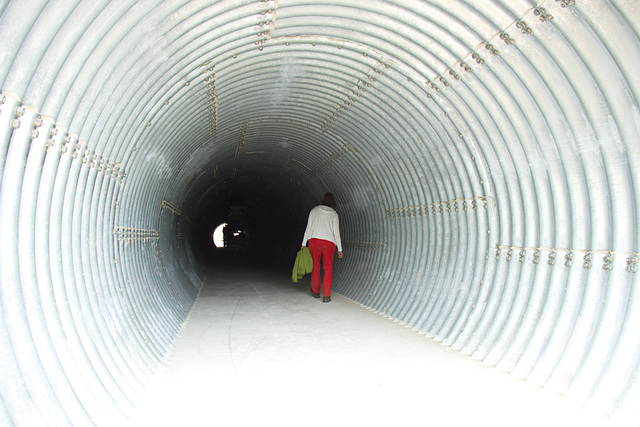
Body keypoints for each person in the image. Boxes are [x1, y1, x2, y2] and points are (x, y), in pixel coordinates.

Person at [301, 192, 343, 302]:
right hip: (329, 242)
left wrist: (303, 243)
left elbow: (308, 228)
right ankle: (326, 295)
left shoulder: (314, 211)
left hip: (314, 241)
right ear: (332, 201)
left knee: (316, 266)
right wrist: (340, 249)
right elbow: (336, 232)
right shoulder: (334, 214)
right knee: (328, 268)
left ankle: (315, 291)